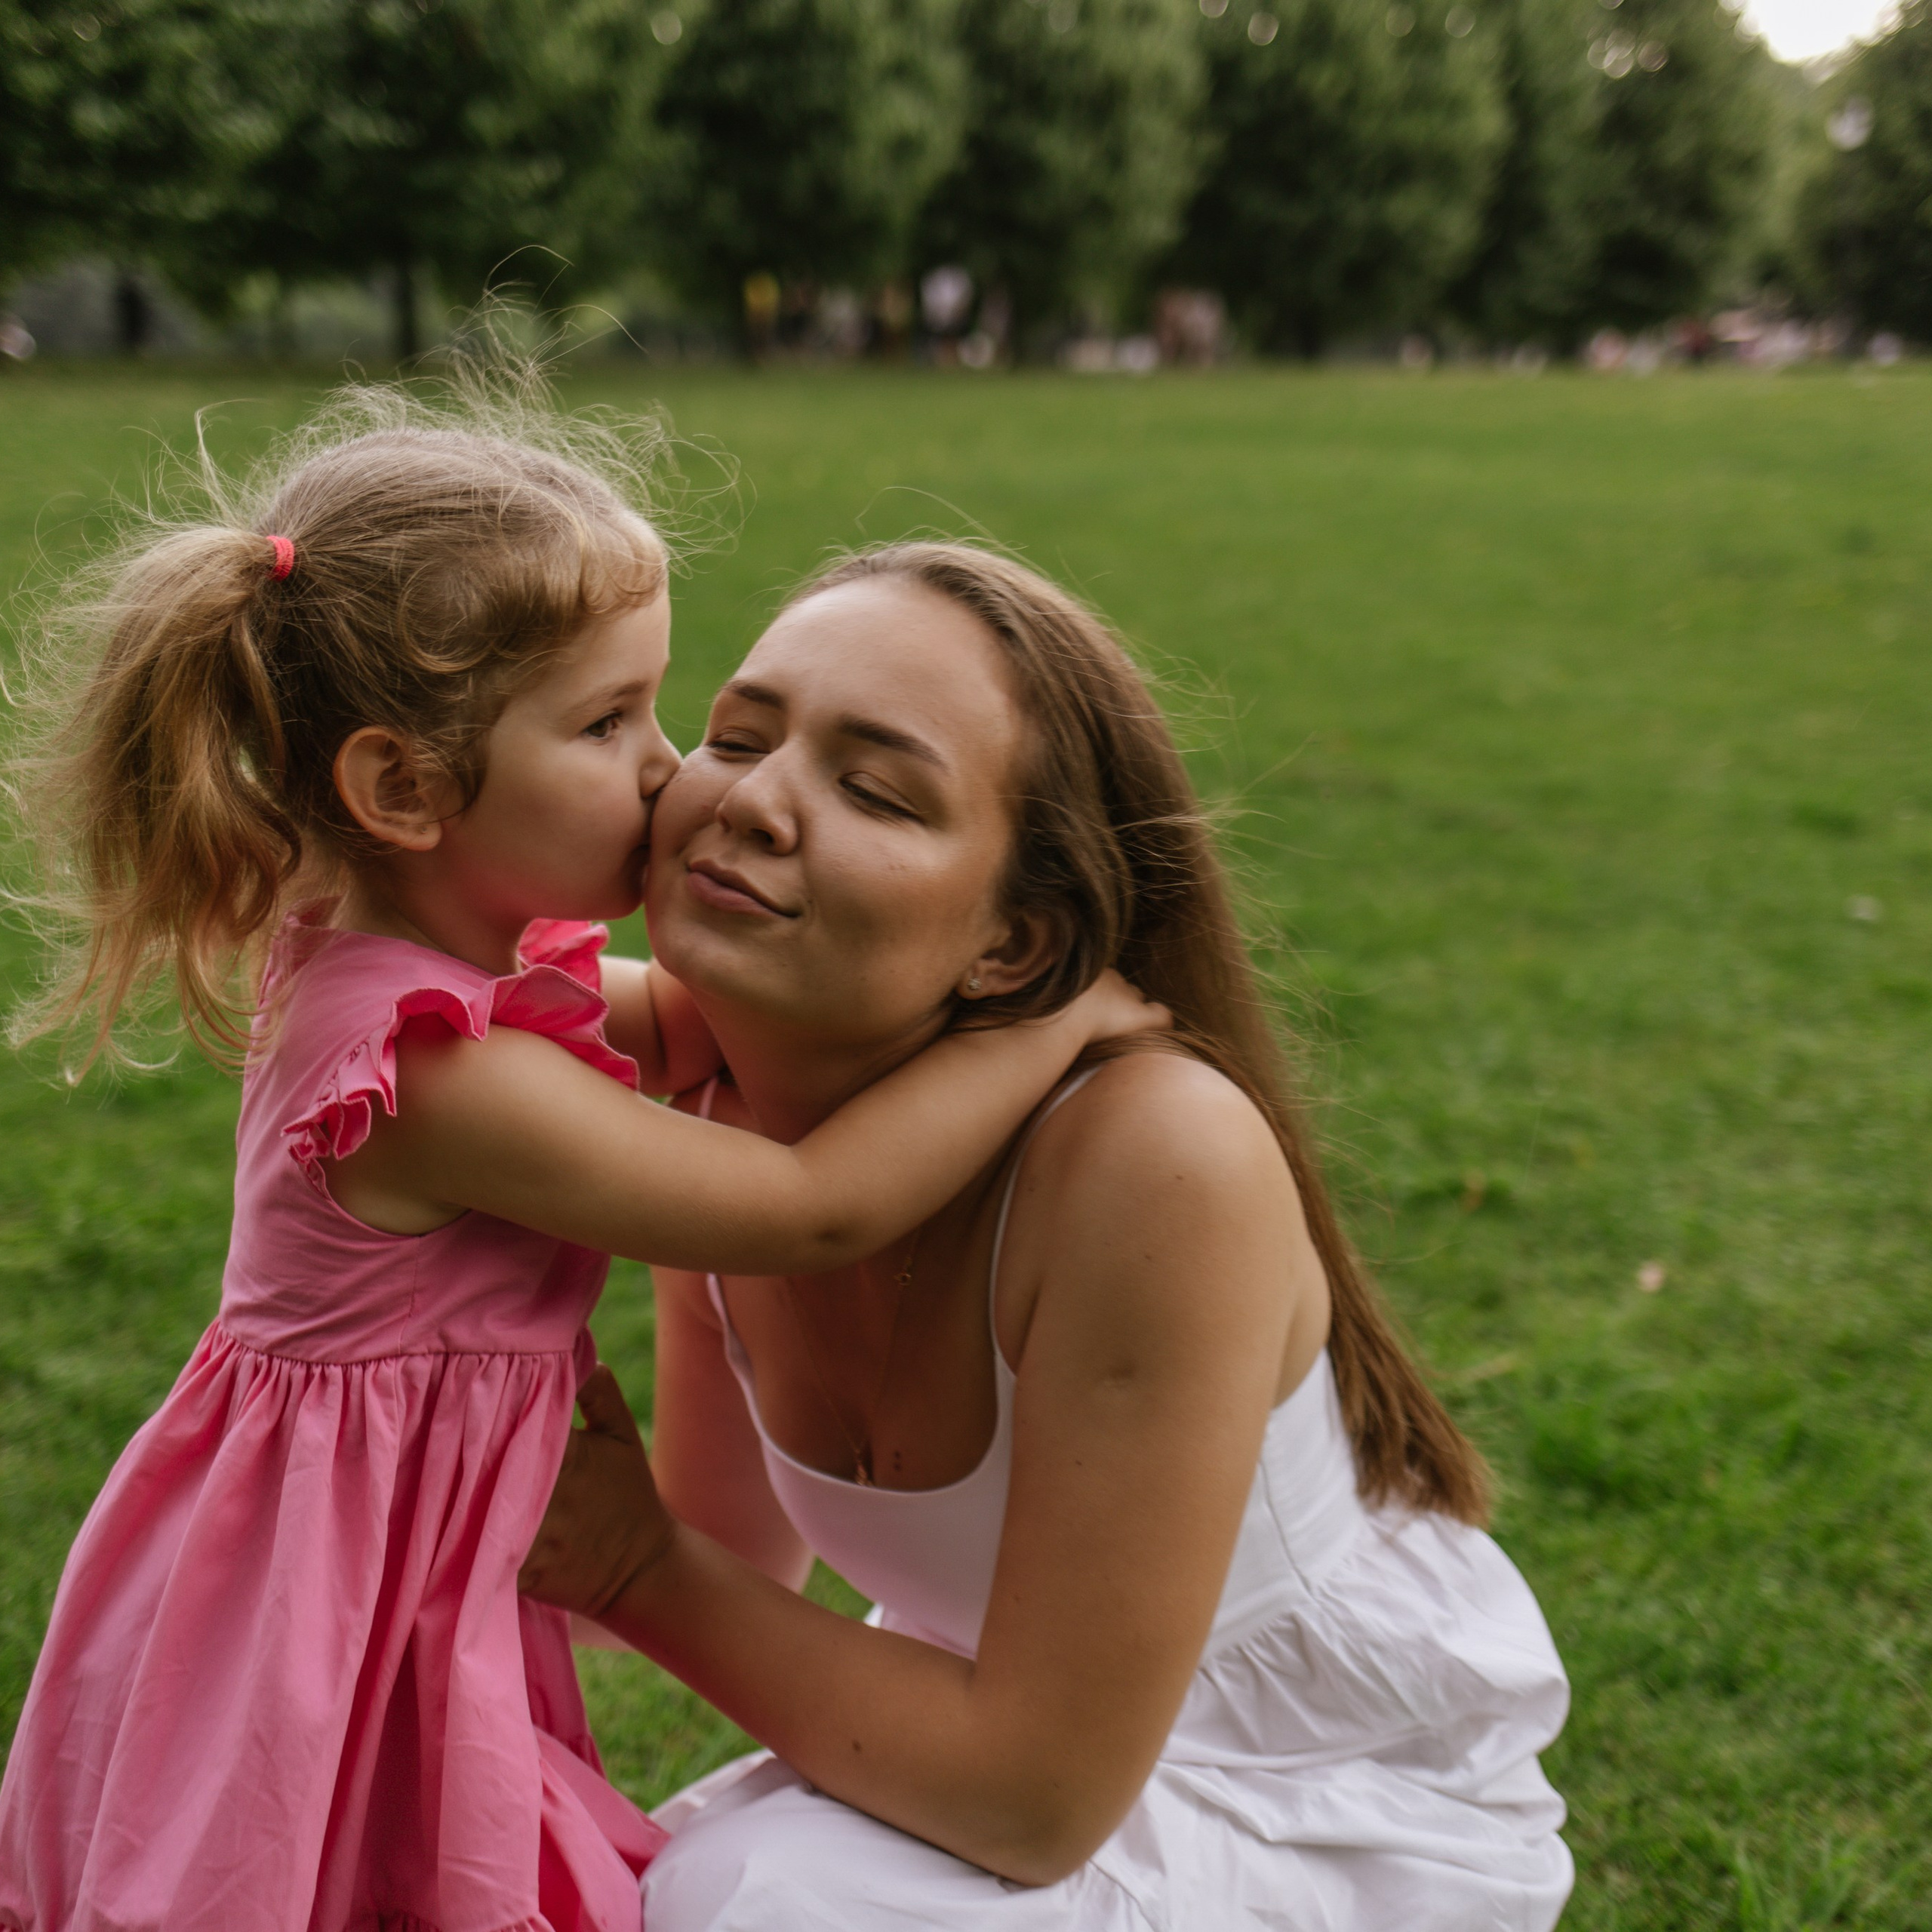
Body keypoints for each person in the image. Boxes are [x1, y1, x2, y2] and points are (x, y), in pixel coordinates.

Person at [0, 392, 1160, 1932]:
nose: (671, 767)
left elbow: (692, 1023)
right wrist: (1042, 1018)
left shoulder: (457, 975)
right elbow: (805, 1209)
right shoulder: (429, 1071)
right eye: (609, 723)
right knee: (316, 1865)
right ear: (402, 791)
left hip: (402, 1525)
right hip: (327, 1563)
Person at [518, 542, 1577, 1930]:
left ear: (1013, 947)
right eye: (735, 735)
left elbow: (1031, 1800)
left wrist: (633, 1563)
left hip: (1302, 1797)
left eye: (873, 788)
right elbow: (727, 1549)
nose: (759, 801)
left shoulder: (1152, 1158)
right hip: (987, 1733)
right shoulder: (716, 1119)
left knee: (748, 1907)